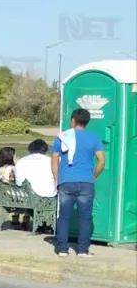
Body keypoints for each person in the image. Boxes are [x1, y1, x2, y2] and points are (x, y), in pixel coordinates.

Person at [51, 107, 106, 258]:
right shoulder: (94, 138)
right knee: (85, 217)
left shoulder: (61, 137)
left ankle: (62, 249)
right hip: (86, 182)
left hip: (65, 181)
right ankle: (82, 250)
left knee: (64, 216)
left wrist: (57, 179)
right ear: (86, 122)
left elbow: (54, 160)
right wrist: (94, 175)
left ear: (73, 120)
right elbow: (101, 161)